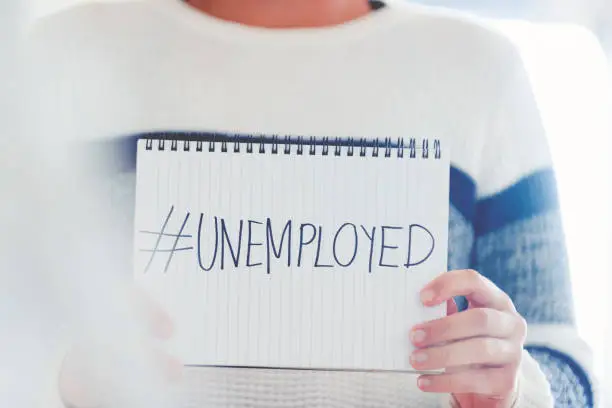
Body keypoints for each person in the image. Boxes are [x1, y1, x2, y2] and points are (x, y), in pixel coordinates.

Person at [25, 0, 594, 406]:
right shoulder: (57, 60)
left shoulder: (480, 70)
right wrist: (56, 381)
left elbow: (572, 374)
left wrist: (514, 389)